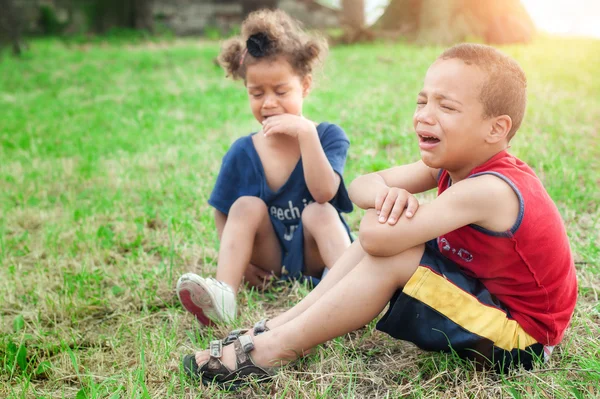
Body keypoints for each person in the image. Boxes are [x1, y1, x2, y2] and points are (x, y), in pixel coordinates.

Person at [182, 43, 578, 388]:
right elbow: (361, 186)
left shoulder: (489, 189)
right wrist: (387, 196)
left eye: (447, 106)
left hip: (521, 341)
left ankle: (273, 349)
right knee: (393, 241)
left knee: (397, 254)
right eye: (423, 100)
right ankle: (278, 325)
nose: (424, 115)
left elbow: (376, 239)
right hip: (488, 303)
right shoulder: (454, 165)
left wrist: (384, 211)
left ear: (496, 129)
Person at [176, 9, 353, 327]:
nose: (268, 103)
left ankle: (347, 293)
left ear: (306, 86)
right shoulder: (243, 151)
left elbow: (325, 192)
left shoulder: (327, 136)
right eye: (256, 93)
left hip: (315, 254)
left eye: (281, 92)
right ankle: (224, 295)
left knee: (320, 211)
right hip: (272, 261)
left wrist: (306, 134)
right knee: (244, 205)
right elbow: (222, 211)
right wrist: (241, 269)